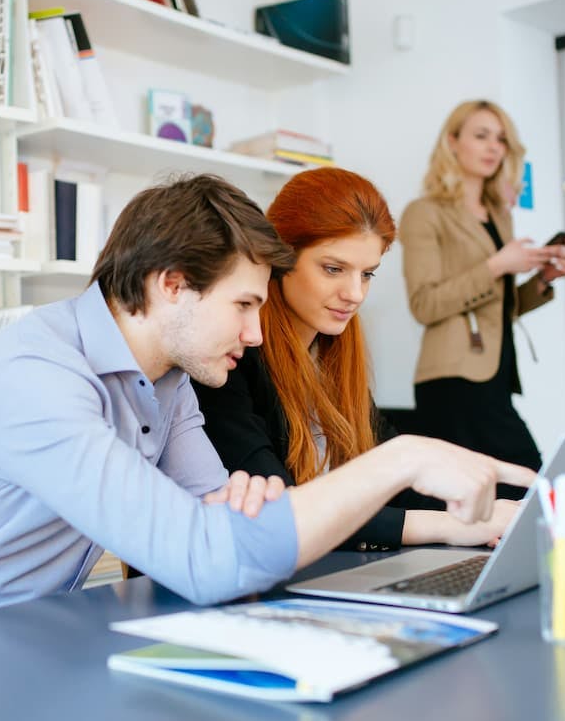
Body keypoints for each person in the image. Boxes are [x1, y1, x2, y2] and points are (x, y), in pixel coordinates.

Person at [0, 174, 534, 639]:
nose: (258, 334)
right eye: (244, 306)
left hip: (11, 641)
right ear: (173, 286)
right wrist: (402, 459)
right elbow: (207, 559)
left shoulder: (169, 383)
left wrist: (239, 520)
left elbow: (223, 522)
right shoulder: (36, 379)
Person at [194, 168, 523, 551]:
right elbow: (285, 511)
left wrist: (482, 514)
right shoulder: (230, 360)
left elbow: (397, 484)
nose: (354, 293)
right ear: (279, 259)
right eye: (333, 269)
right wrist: (447, 525)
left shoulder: (332, 355)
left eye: (367, 274)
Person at [401, 99, 565, 471]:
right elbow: (424, 304)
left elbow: (498, 307)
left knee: (502, 491)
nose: (494, 147)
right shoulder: (424, 213)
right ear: (452, 142)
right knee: (523, 477)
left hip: (495, 375)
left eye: (500, 139)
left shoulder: (498, 215)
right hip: (453, 380)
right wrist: (497, 265)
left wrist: (544, 278)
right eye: (481, 136)